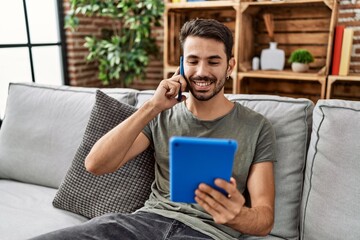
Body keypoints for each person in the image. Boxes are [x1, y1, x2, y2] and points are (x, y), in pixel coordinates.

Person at [32, 18, 276, 240]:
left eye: (213, 62)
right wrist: (152, 106)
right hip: (143, 223)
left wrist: (237, 215)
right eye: (193, 61)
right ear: (181, 65)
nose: (202, 72)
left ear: (230, 66)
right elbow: (95, 164)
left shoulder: (257, 126)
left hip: (206, 234)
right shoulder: (161, 114)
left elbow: (264, 220)